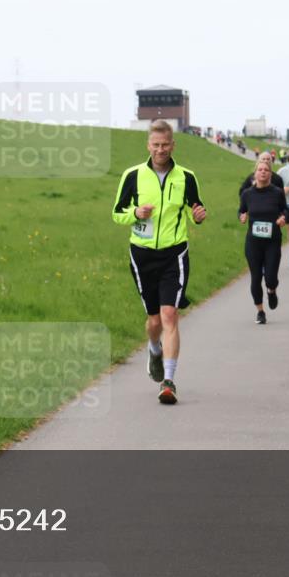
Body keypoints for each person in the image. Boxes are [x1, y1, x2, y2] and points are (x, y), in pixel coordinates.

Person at [112, 119, 207, 405]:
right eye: (156, 145)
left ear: (173, 145)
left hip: (173, 253)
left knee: (170, 315)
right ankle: (154, 349)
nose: (161, 150)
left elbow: (194, 210)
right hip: (141, 255)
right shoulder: (133, 175)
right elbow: (117, 213)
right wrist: (135, 213)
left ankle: (168, 381)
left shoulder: (186, 177)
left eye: (165, 145)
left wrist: (199, 216)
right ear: (148, 145)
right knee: (153, 320)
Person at [239, 160, 287, 324]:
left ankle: (271, 290)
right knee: (255, 277)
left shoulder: (277, 193)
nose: (263, 172)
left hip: (272, 241)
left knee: (271, 277)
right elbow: (242, 209)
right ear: (255, 173)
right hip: (253, 242)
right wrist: (242, 216)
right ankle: (260, 311)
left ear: (270, 173)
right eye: (260, 170)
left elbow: (285, 210)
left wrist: (283, 218)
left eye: (266, 170)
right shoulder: (247, 194)